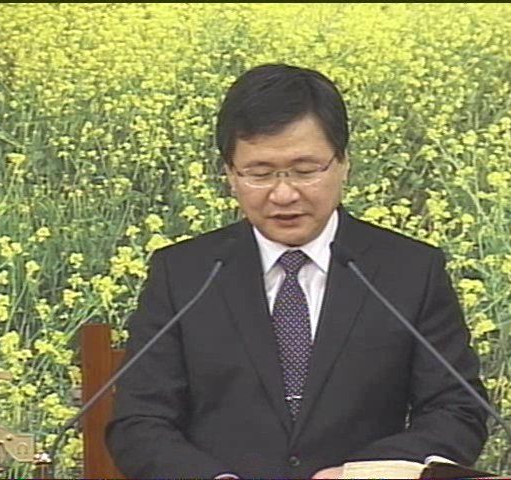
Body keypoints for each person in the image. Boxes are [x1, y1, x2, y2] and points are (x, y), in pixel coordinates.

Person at [106, 64, 488, 479]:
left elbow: (457, 410)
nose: (284, 194)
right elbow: (139, 421)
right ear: (230, 175)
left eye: (305, 171)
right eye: (259, 174)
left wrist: (362, 474)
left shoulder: (410, 270)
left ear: (343, 163)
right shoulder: (183, 275)